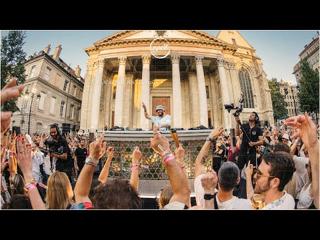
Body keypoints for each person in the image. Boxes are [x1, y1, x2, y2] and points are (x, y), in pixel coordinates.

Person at [235, 112, 264, 198]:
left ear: (256, 118)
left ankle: (250, 187)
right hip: (243, 151)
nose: (250, 116)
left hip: (252, 153)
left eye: (252, 115)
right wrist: (237, 123)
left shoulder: (258, 129)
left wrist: (254, 143)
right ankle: (237, 187)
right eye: (250, 115)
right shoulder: (244, 126)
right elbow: (237, 133)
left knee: (251, 170)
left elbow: (262, 141)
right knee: (238, 168)